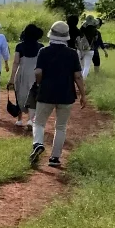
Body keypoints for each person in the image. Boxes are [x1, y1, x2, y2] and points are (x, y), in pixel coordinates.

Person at [29, 21, 87, 168]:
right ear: (66, 37)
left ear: (51, 35)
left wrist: (39, 83)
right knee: (60, 126)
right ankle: (54, 158)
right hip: (66, 94)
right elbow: (78, 76)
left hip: (46, 92)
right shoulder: (72, 53)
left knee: (39, 122)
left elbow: (38, 72)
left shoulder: (44, 51)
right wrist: (83, 95)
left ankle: (38, 143)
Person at [8, 24, 44, 129]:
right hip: (35, 73)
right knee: (33, 97)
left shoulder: (20, 46)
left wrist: (11, 78)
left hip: (22, 73)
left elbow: (15, 62)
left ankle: (19, 120)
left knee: (20, 95)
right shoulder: (41, 46)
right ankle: (30, 120)